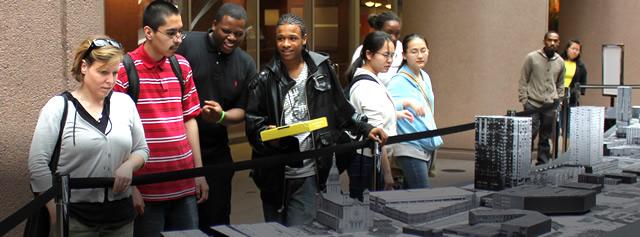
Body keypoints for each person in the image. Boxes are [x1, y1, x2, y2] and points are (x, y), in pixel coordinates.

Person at [245, 13, 387, 226]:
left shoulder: (321, 69)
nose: (285, 44)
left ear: (304, 39)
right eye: (280, 38)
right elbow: (253, 123)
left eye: (292, 38)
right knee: (275, 229)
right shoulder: (264, 79)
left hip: (311, 168)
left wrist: (366, 127)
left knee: (302, 229)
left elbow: (341, 107)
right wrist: (266, 134)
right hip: (275, 172)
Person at [28, 35, 148, 236]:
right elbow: (37, 162)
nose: (110, 80)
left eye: (115, 72)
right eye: (103, 72)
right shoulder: (59, 107)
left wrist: (129, 166)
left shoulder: (125, 103)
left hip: (121, 218)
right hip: (75, 219)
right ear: (84, 67)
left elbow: (141, 149)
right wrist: (54, 210)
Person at [113, 1, 208, 236]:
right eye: (171, 33)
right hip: (147, 191)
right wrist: (131, 187)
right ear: (149, 32)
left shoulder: (181, 66)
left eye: (180, 32)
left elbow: (189, 120)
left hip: (184, 184)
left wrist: (198, 172)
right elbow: (116, 133)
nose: (178, 39)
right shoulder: (125, 70)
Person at [176, 3, 257, 232]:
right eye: (226, 31)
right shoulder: (187, 44)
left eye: (238, 34)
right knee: (182, 222)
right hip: (179, 151)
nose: (232, 37)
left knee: (217, 220)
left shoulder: (245, 63)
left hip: (217, 152)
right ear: (214, 25)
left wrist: (221, 116)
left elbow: (243, 110)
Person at [345, 31, 414, 200]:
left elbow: (374, 117)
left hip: (367, 159)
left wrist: (395, 114)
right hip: (368, 160)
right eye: (385, 55)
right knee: (365, 214)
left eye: (392, 55)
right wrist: (388, 175)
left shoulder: (372, 80)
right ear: (369, 54)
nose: (390, 60)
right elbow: (377, 134)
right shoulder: (366, 86)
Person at [387, 34, 443, 189]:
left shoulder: (424, 76)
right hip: (409, 145)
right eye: (414, 51)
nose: (420, 55)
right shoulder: (398, 80)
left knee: (410, 194)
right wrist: (406, 103)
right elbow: (385, 106)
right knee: (422, 192)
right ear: (404, 55)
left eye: (423, 50)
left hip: (424, 143)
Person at [518, 31, 565, 165]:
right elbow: (523, 79)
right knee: (529, 135)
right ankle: (524, 164)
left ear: (559, 42)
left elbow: (561, 84)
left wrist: (559, 101)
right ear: (544, 41)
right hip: (532, 103)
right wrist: (524, 100)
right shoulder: (532, 57)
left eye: (555, 41)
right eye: (550, 40)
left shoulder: (560, 62)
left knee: (545, 136)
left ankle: (542, 163)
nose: (552, 43)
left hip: (550, 104)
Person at [351, 11, 403, 86]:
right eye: (389, 33)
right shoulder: (363, 51)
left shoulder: (402, 50)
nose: (393, 38)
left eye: (397, 33)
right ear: (377, 31)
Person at [561, 39, 587, 107]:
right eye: (573, 49)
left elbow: (583, 81)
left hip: (572, 97)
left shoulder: (580, 65)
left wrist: (579, 92)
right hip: (557, 95)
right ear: (567, 49)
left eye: (577, 50)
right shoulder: (559, 61)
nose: (575, 51)